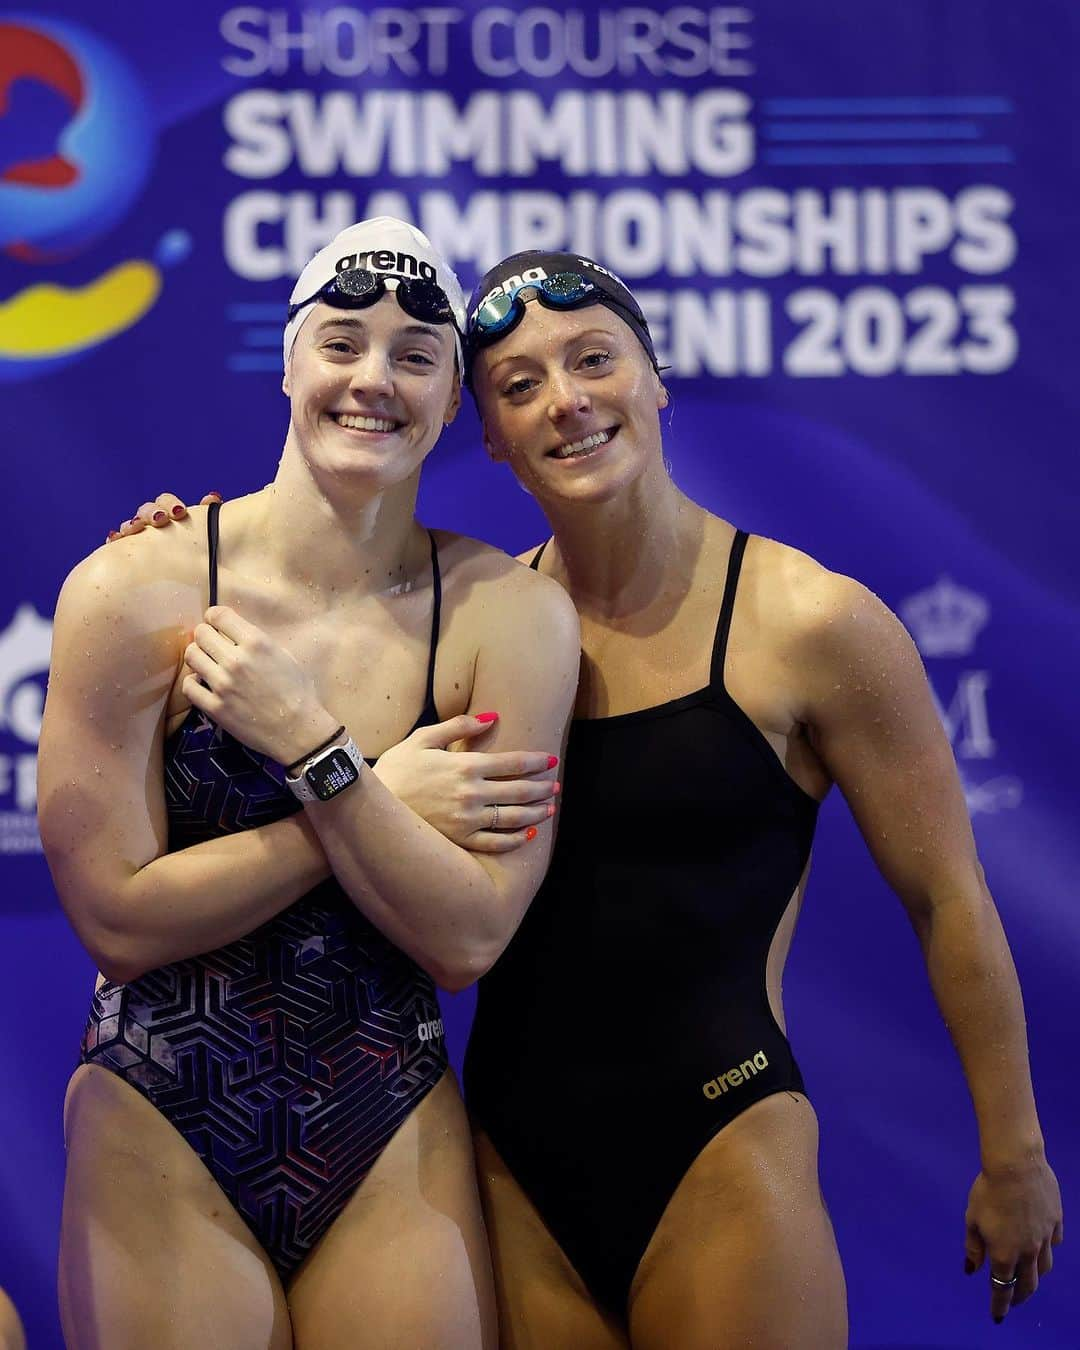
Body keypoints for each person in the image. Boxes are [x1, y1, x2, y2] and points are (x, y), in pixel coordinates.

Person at [107, 250, 1063, 1350]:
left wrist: (1015, 1150)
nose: (566, 401)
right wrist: (179, 550)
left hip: (723, 1140)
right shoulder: (482, 629)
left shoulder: (810, 624)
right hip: (514, 1174)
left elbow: (948, 897)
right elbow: (300, 607)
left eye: (595, 360)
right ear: (491, 437)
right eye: (519, 386)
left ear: (655, 380)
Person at [38, 220, 579, 1349]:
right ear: (288, 362)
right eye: (342, 343)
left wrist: (319, 755)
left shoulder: (506, 616)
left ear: (451, 406)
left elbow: (468, 941)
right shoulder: (137, 589)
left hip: (386, 1116)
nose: (373, 380)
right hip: (161, 1105)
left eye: (416, 357)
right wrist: (361, 789)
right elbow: (117, 924)